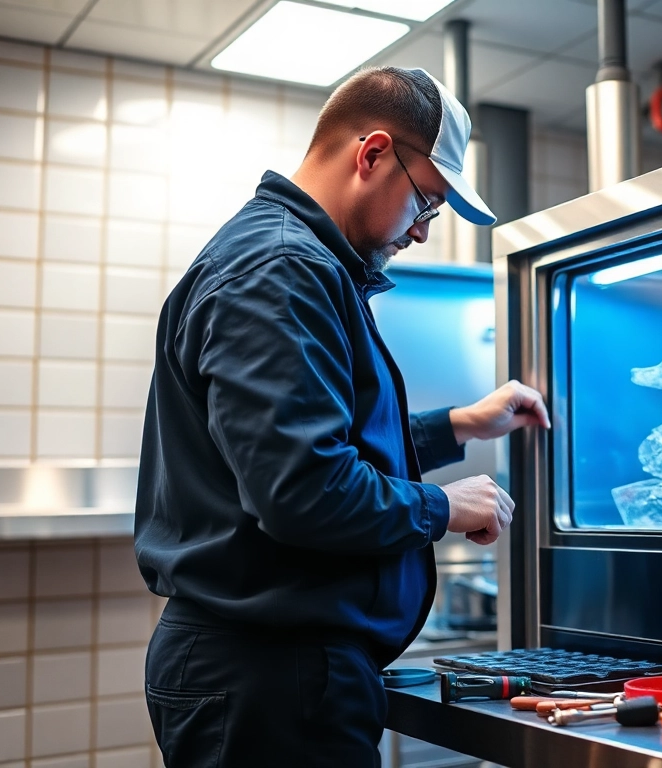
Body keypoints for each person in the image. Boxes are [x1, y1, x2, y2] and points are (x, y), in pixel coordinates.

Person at [134, 66, 547, 767]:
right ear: (373, 154)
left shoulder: (295, 262)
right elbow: (303, 490)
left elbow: (315, 447)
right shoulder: (282, 271)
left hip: (272, 671)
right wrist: (439, 507)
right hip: (268, 677)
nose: (421, 232)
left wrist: (459, 426)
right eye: (427, 204)